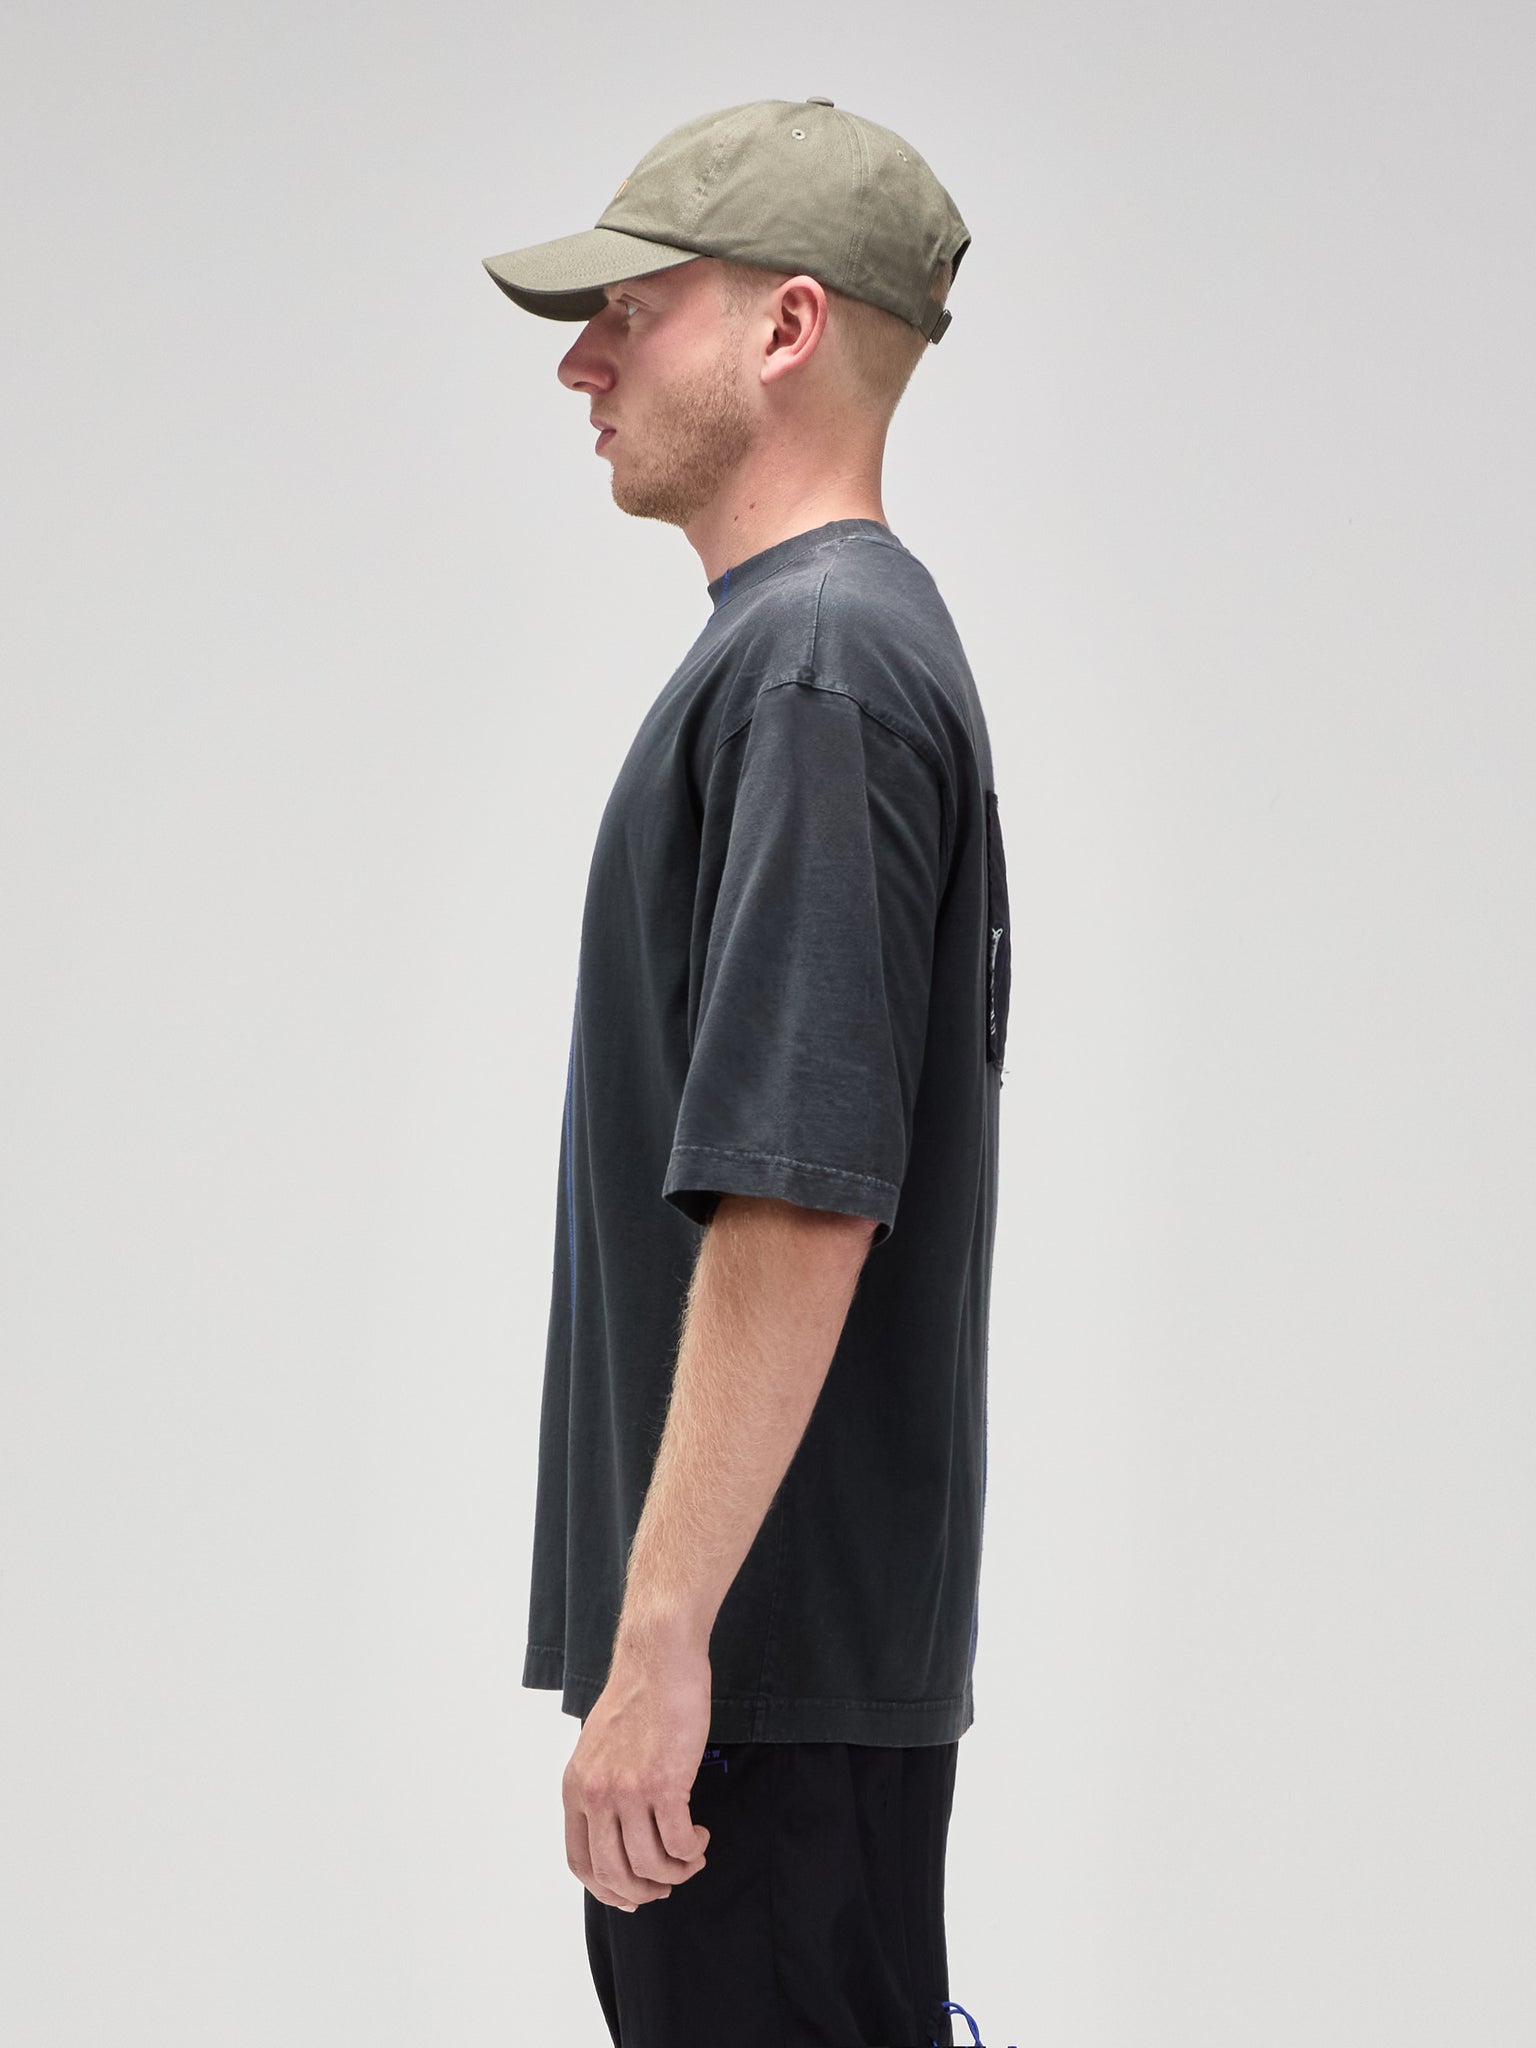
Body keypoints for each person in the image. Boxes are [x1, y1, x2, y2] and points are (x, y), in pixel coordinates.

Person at [481, 95, 1011, 2048]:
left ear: (789, 327)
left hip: (760, 1689)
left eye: (633, 310)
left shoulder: (817, 671)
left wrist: (667, 1642)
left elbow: (801, 1186)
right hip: (779, 1687)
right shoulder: (812, 655)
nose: (583, 361)